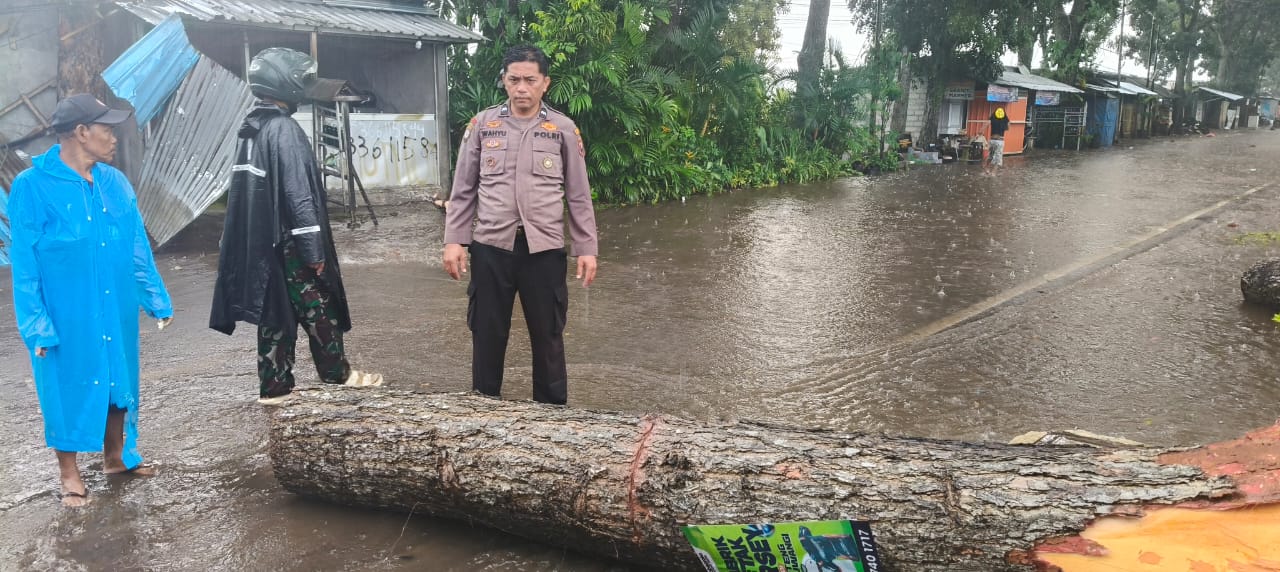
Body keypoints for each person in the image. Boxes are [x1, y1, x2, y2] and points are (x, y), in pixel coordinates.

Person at [8, 94, 174, 507]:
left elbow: (136, 244)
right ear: (81, 133)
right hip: (67, 312)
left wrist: (154, 296)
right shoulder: (32, 187)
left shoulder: (115, 183)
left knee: (118, 377)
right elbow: (25, 263)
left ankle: (117, 458)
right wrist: (36, 324)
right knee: (66, 385)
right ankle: (69, 473)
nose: (114, 137)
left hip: (113, 303)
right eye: (107, 129)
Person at [210, 47, 382, 405]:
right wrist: (313, 252)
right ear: (285, 83)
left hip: (262, 245)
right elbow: (299, 196)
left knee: (274, 311)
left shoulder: (251, 128)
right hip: (289, 245)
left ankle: (273, 387)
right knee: (319, 307)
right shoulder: (284, 129)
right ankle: (338, 374)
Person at [442, 44, 598, 405]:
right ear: (504, 81)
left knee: (548, 338)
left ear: (546, 83)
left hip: (543, 251)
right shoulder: (483, 125)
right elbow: (463, 189)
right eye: (514, 80)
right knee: (487, 334)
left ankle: (553, 418)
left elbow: (578, 195)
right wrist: (454, 241)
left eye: (530, 80)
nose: (522, 88)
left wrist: (586, 248)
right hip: (491, 248)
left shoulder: (561, 128)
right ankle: (483, 411)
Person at [984, 106, 1010, 176]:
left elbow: (985, 125)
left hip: (992, 140)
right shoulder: (1005, 120)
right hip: (1000, 141)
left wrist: (979, 133)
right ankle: (993, 173)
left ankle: (986, 167)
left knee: (991, 156)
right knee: (998, 159)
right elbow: (1008, 128)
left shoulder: (992, 119)